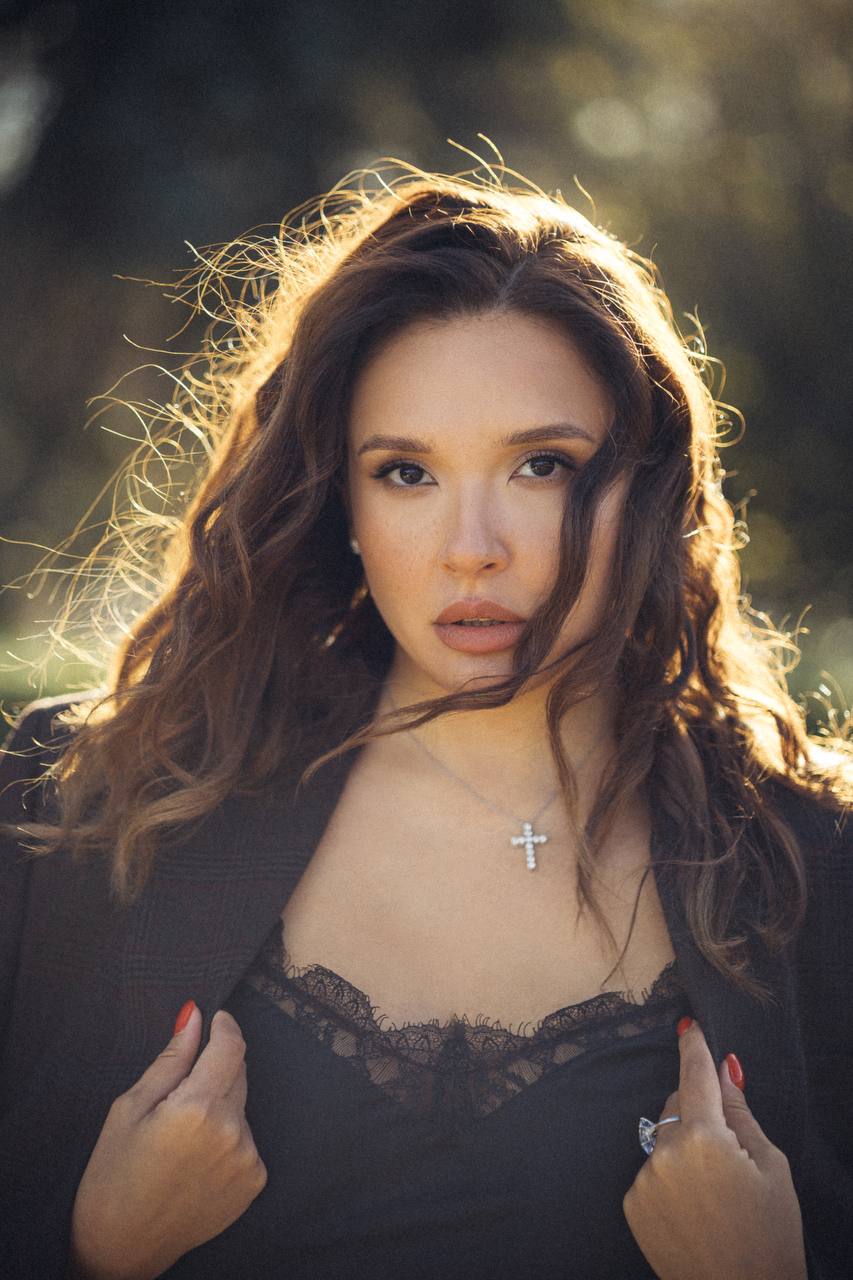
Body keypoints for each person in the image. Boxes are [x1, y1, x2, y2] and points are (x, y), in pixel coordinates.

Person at [0, 158, 850, 1280]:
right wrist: (92, 1249)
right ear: (340, 501)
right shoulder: (80, 804)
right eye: (406, 472)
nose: (470, 549)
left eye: (541, 465)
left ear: (645, 489)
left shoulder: (818, 866)